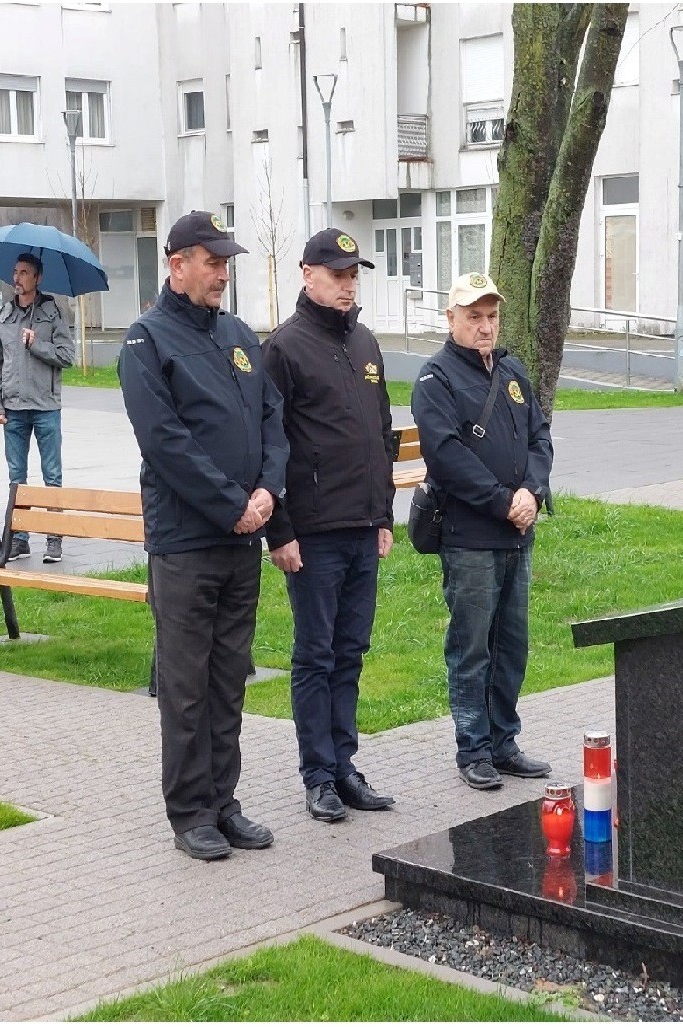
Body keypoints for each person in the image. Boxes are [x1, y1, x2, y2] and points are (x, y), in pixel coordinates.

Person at [118, 210, 288, 861]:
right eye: (211, 260)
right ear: (177, 263)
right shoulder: (146, 342)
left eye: (226, 261)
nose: (222, 272)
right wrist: (231, 504)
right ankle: (189, 808)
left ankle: (223, 800)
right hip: (187, 544)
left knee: (228, 680)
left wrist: (267, 491)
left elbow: (273, 416)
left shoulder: (236, 333)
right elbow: (166, 444)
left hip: (242, 538)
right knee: (186, 686)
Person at [262, 228, 396, 823]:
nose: (348, 286)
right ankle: (317, 774)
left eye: (353, 275)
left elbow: (381, 434)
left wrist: (385, 515)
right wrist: (280, 530)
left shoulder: (365, 343)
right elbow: (272, 445)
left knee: (351, 651)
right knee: (315, 654)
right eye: (337, 275)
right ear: (307, 273)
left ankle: (345, 766)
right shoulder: (284, 349)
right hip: (312, 533)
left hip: (363, 526)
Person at [412, 272, 555, 791]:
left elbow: (540, 435)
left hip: (519, 532)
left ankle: (504, 742)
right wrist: (502, 502)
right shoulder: (436, 379)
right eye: (473, 316)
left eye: (491, 316)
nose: (485, 325)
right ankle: (473, 747)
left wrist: (532, 493)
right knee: (472, 647)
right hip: (471, 535)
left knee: (511, 643)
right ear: (451, 319)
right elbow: (446, 455)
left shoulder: (513, 371)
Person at [0, 252, 75, 563]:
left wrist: (38, 345)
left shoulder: (52, 313)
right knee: (16, 476)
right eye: (16, 271)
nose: (18, 278)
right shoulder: (4, 316)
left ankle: (53, 538)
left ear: (38, 278)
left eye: (24, 272)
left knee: (52, 475)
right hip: (13, 409)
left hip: (46, 405)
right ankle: (19, 539)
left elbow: (67, 356)